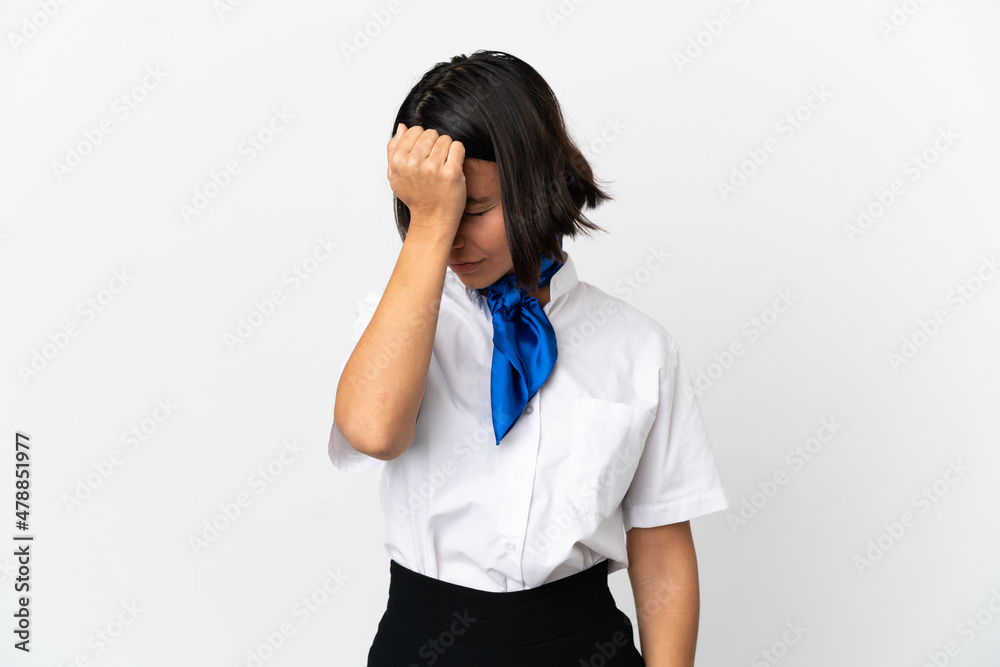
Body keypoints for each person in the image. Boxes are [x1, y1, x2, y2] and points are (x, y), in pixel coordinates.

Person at [329, 50, 730, 667]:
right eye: (428, 210)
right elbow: (374, 431)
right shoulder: (402, 325)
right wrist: (430, 224)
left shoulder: (639, 347)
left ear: (538, 186)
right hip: (427, 643)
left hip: (581, 641)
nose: (453, 237)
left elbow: (662, 545)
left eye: (474, 210)